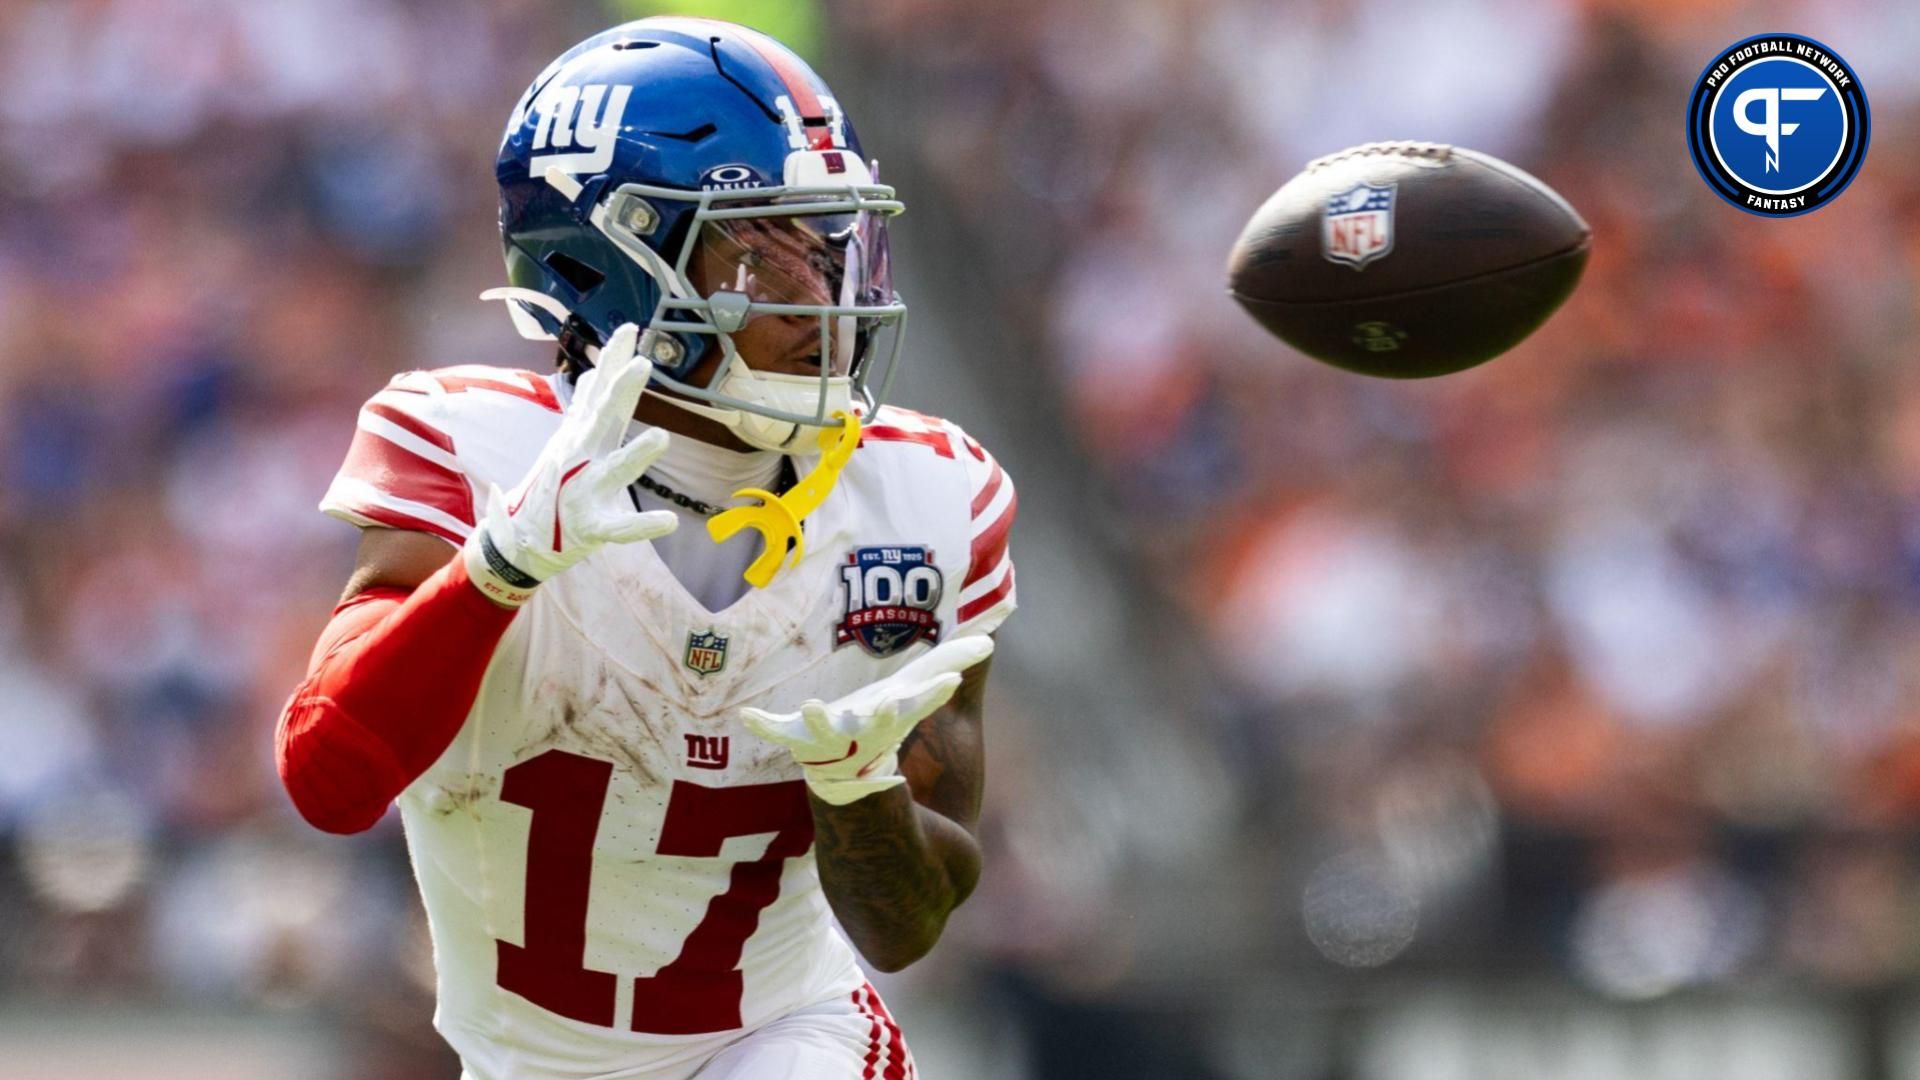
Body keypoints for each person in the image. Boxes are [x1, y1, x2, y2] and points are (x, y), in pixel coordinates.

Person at [273, 17, 1016, 1079]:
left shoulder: (930, 495)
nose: (825, 298)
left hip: (785, 1034)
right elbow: (329, 783)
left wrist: (860, 797)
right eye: (760, 248)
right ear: (605, 260)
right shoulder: (475, 450)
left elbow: (910, 925)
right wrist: (496, 572)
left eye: (829, 243)